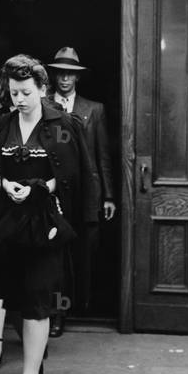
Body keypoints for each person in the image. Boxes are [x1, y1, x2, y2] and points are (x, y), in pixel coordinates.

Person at [0, 54, 99, 374]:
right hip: (7, 224)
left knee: (37, 299)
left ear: (42, 89)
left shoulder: (64, 125)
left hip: (46, 225)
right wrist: (5, 184)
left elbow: (76, 175)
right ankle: (31, 359)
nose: (18, 99)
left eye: (25, 92)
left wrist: (42, 187)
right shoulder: (0, 127)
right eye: (13, 92)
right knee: (12, 297)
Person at [47, 46, 116, 337]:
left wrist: (108, 195)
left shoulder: (94, 109)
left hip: (86, 192)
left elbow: (103, 156)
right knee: (54, 254)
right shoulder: (42, 103)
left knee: (84, 251)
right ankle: (56, 315)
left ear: (77, 78)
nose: (65, 79)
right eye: (60, 73)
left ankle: (81, 305)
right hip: (53, 190)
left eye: (70, 74)